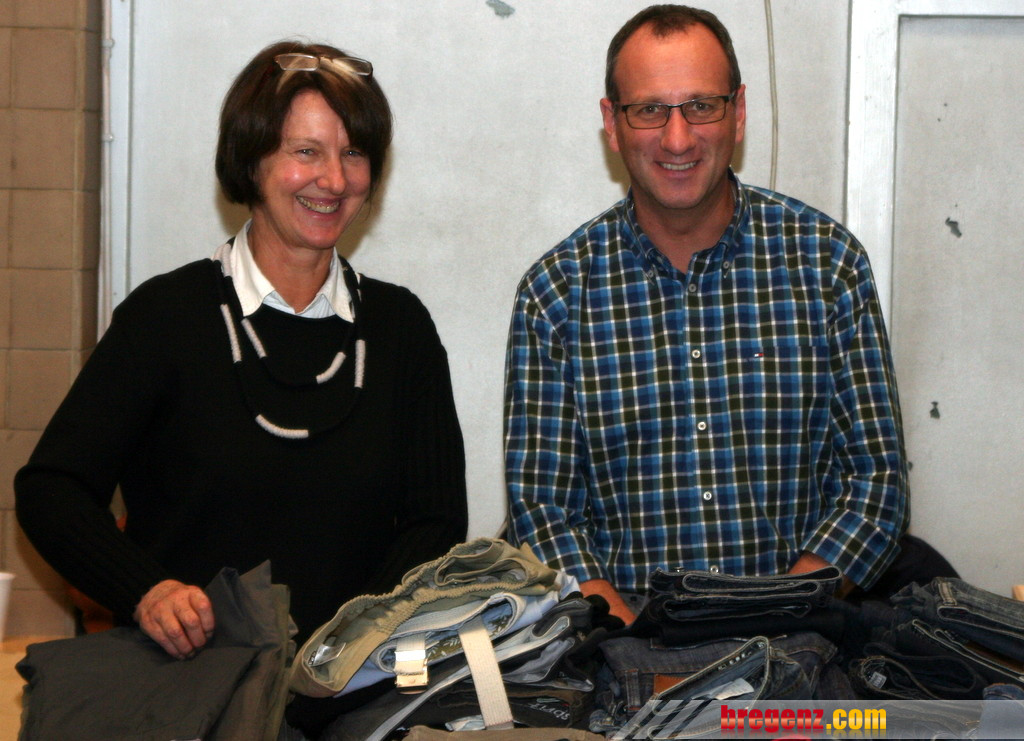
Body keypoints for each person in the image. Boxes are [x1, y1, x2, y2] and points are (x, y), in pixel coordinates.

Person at [16, 40, 467, 734]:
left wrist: (351, 638)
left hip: (351, 700)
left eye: (353, 153)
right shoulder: (166, 317)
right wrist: (146, 591)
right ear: (252, 159)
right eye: (306, 151)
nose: (333, 179)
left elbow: (436, 520)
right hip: (191, 698)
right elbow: (51, 489)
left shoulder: (400, 329)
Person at [504, 5, 908, 625]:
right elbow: (544, 513)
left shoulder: (827, 264)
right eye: (649, 110)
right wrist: (630, 643)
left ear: (738, 112)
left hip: (798, 638)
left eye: (701, 106)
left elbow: (875, 486)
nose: (677, 138)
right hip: (625, 651)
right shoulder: (556, 293)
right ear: (612, 123)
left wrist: (775, 621)